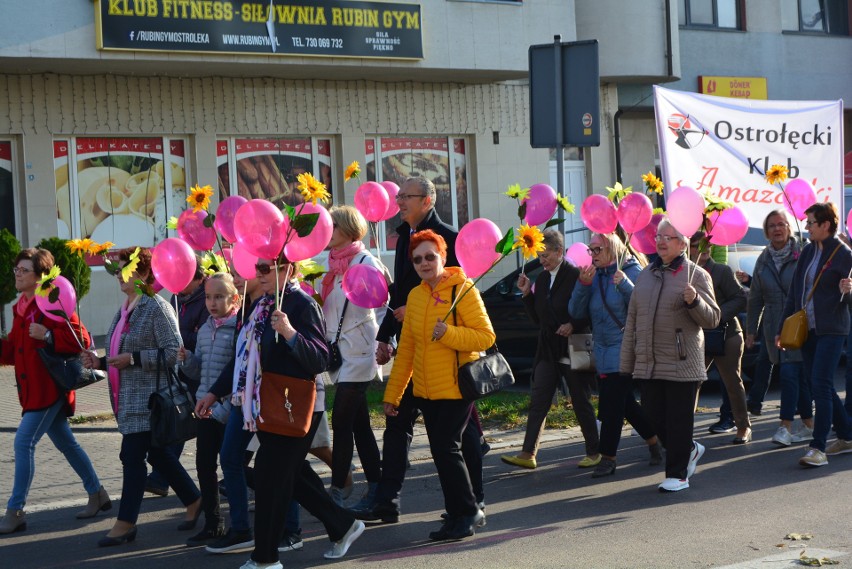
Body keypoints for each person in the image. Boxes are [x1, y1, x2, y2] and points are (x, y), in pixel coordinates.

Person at [196, 256, 364, 568]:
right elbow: (243, 358)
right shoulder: (260, 306)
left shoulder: (300, 304)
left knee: (270, 476)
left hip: (297, 406)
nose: (256, 274)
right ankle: (343, 525)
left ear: (287, 269)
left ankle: (265, 559)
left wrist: (289, 332)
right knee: (290, 476)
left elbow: (320, 360)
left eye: (264, 268)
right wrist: (213, 392)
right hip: (268, 404)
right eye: (256, 268)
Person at [355, 176, 485, 524]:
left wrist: (443, 328)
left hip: (452, 362)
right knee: (401, 423)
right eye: (398, 196)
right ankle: (388, 500)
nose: (399, 201)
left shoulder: (449, 238)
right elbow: (403, 295)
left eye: (406, 196)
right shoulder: (404, 240)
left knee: (457, 438)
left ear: (427, 199)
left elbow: (464, 302)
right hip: (418, 355)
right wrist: (387, 334)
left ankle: (474, 502)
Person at [82, 247, 201, 546]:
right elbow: (118, 352)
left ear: (145, 273)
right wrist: (98, 361)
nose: (119, 275)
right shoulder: (126, 308)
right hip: (130, 398)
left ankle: (125, 523)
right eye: (118, 269)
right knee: (158, 454)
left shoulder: (156, 306)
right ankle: (194, 499)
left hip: (150, 400)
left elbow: (175, 352)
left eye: (126, 268)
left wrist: (133, 359)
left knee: (132, 456)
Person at [383, 230, 494, 541]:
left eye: (430, 257)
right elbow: (406, 351)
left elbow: (486, 336)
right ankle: (456, 514)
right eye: (418, 259)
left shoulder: (463, 289)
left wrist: (448, 332)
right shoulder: (416, 297)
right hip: (426, 390)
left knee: (447, 448)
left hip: (457, 387)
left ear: (443, 257)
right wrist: (393, 395)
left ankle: (470, 510)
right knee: (441, 451)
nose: (424, 263)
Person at [0, 248, 110, 534]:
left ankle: (15, 510)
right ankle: (97, 493)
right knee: (66, 444)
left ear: (40, 277)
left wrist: (48, 335)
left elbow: (82, 339)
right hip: (30, 390)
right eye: (17, 270)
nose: (17, 274)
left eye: (24, 270)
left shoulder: (52, 300)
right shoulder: (19, 306)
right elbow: (14, 348)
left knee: (23, 443)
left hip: (49, 389)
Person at [621, 219, 720, 492]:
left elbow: (712, 319)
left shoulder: (696, 275)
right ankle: (689, 449)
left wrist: (694, 301)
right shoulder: (644, 275)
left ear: (682, 243)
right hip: (648, 362)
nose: (661, 241)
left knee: (678, 421)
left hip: (682, 361)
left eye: (668, 237)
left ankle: (677, 474)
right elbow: (632, 320)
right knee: (652, 417)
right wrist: (627, 360)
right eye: (658, 237)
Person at [501, 229, 599, 470]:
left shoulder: (575, 275)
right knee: (539, 398)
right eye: (540, 255)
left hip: (576, 344)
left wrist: (572, 324)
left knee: (580, 399)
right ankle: (528, 453)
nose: (541, 260)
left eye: (545, 255)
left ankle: (595, 451)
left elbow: (589, 310)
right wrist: (526, 294)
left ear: (559, 251)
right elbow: (539, 319)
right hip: (549, 347)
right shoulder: (542, 279)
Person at [568, 233, 662, 478]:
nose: (593, 255)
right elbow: (575, 312)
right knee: (626, 404)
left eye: (597, 249)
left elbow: (644, 306)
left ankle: (607, 457)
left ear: (611, 248)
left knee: (610, 406)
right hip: (601, 349)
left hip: (625, 347)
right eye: (591, 250)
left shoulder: (631, 271)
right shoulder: (594, 276)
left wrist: (624, 285)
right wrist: (582, 285)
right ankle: (654, 441)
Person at [778, 203, 852, 467]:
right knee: (819, 382)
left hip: (832, 328)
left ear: (825, 225)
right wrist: (781, 328)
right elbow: (795, 292)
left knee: (819, 384)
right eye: (807, 222)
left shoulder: (844, 254)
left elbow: (849, 298)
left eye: (810, 223)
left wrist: (849, 289)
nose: (806, 227)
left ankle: (817, 447)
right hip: (806, 328)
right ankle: (846, 435)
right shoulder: (808, 251)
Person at [321, 205, 385, 507]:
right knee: (360, 425)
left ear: (348, 229)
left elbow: (384, 303)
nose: (327, 232)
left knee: (341, 421)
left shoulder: (365, 261)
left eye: (332, 226)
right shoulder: (330, 264)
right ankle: (377, 486)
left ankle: (339, 489)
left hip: (360, 350)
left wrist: (387, 342)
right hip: (339, 350)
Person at [178, 272, 240, 546]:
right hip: (205, 408)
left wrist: (224, 408)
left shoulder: (239, 329)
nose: (212, 303)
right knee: (204, 465)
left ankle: (246, 520)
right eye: (209, 298)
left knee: (233, 467)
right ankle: (213, 522)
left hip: (228, 411)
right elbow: (200, 368)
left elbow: (238, 375)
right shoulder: (205, 328)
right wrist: (187, 359)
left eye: (219, 297)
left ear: (234, 298)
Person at [746, 210, 813, 446]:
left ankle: (784, 427)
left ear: (789, 228)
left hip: (798, 324)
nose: (777, 229)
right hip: (773, 326)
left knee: (789, 374)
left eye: (782, 224)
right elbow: (755, 298)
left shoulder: (803, 253)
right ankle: (809, 425)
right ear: (766, 230)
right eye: (772, 225)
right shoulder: (763, 259)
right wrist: (751, 330)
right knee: (798, 377)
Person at [147, 258, 209, 497]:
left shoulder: (206, 297)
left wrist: (180, 340)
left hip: (201, 370)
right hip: (180, 368)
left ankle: (162, 477)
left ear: (197, 277)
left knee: (183, 421)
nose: (177, 285)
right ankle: (161, 477)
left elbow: (201, 335)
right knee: (179, 420)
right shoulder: (176, 298)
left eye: (182, 279)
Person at [690, 231, 752, 444]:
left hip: (727, 335)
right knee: (692, 382)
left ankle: (743, 426)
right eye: (697, 245)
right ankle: (683, 432)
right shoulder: (685, 274)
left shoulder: (722, 271)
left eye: (706, 244)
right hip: (698, 338)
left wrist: (716, 316)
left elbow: (740, 298)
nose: (704, 248)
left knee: (732, 382)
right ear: (687, 249)